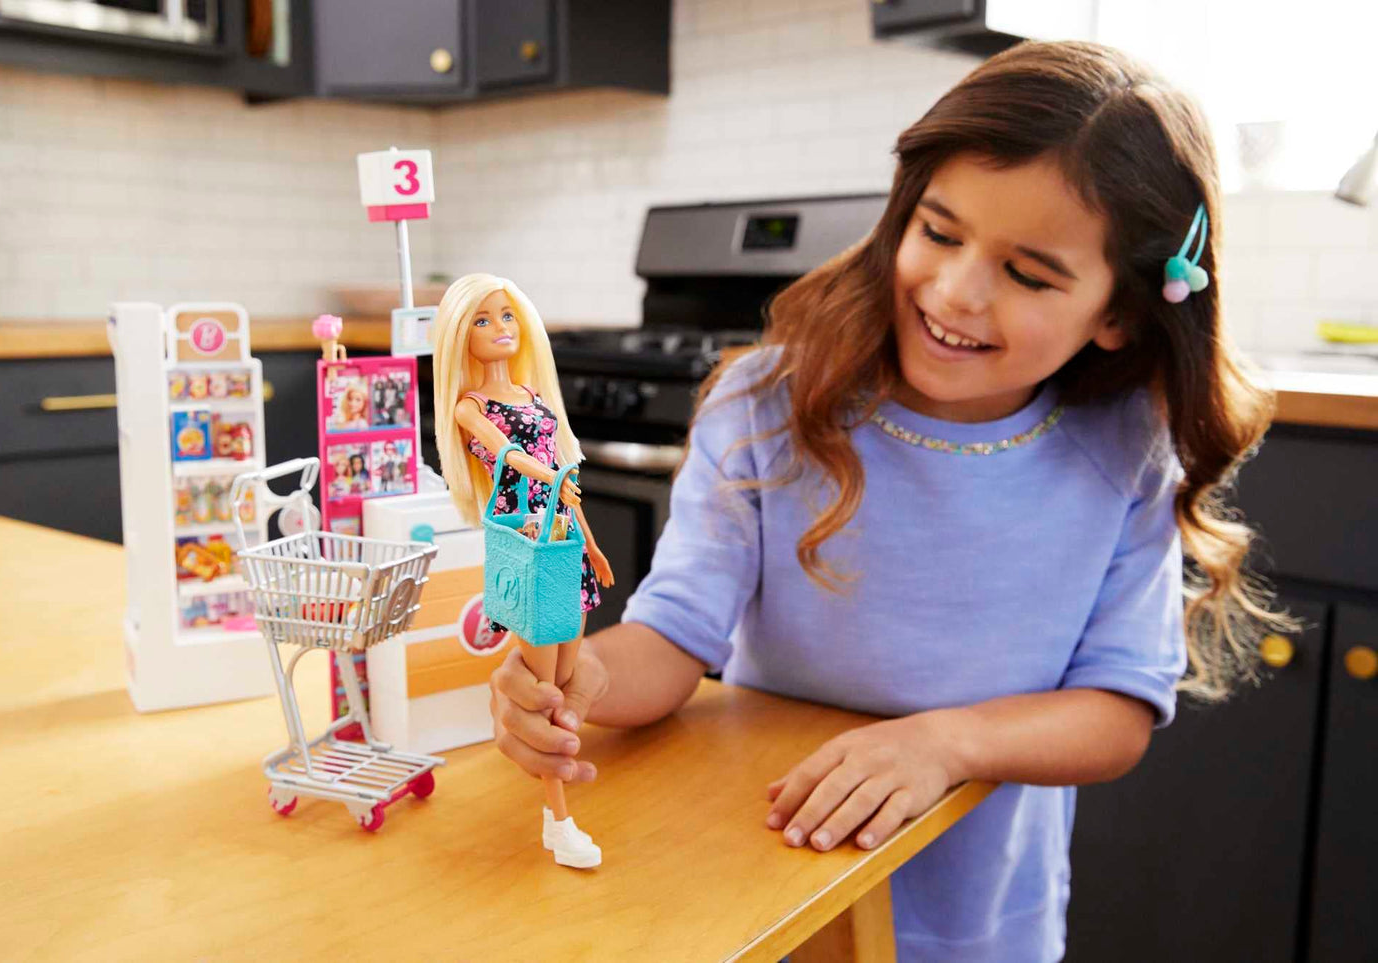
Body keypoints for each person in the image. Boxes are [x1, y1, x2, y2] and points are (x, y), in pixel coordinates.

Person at [487, 40, 1289, 961]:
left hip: (981, 924)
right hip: (764, 887)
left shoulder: (1123, 451)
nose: (954, 291)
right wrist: (576, 680)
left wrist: (947, 743)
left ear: (1120, 312)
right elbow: (673, 638)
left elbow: (1114, 710)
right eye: (940, 232)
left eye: (1028, 274)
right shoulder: (764, 404)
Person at [431, 272, 616, 869]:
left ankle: (552, 817)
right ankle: (560, 820)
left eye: (506, 316)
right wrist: (547, 475)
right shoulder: (470, 407)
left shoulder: (537, 400)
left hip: (565, 540)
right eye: (483, 320)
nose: (499, 329)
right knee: (540, 695)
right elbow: (509, 456)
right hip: (530, 543)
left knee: (563, 684)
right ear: (462, 337)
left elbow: (572, 488)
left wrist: (591, 545)